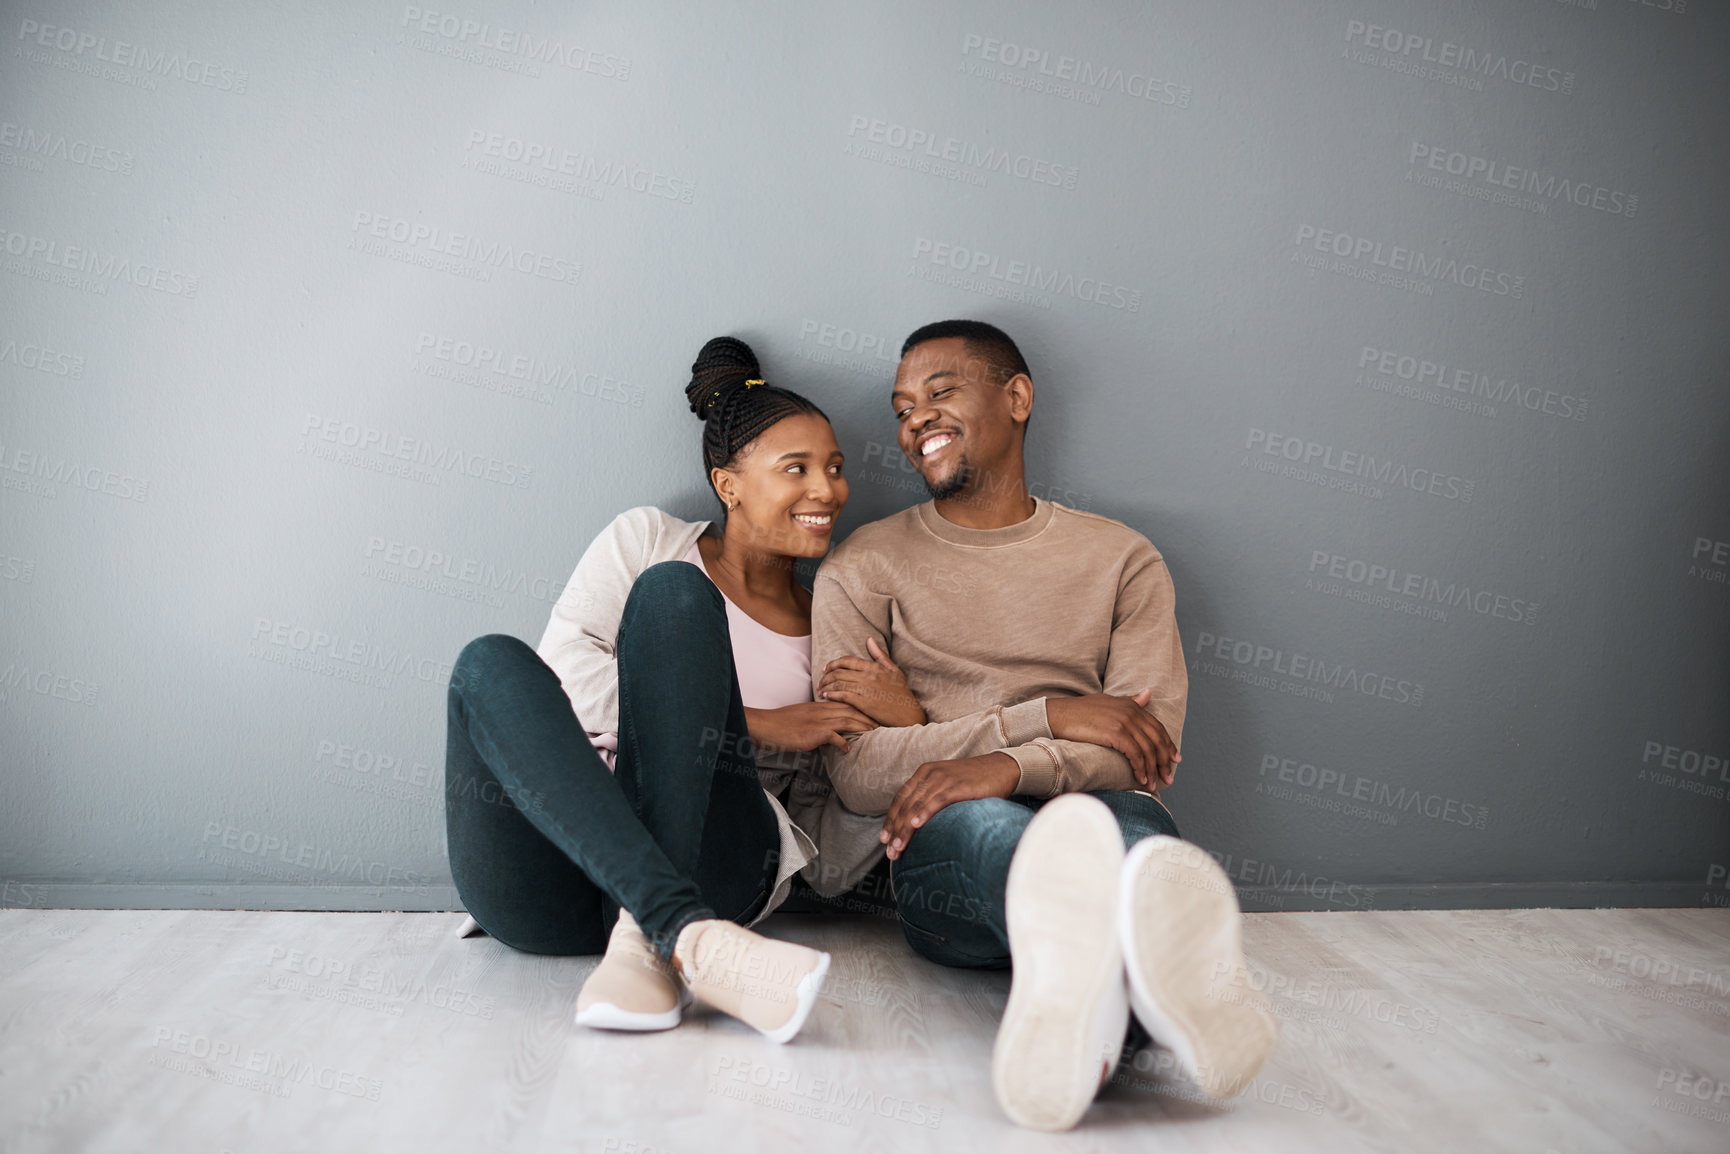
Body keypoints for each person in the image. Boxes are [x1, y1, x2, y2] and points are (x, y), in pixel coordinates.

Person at [806, 319, 1278, 1126]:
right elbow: (855, 771)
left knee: (1127, 831)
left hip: (1098, 805)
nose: (914, 419)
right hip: (947, 842)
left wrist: (1002, 762)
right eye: (902, 407)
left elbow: (1143, 753)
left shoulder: (1122, 558)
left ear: (1017, 397)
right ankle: (1145, 990)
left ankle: (1097, 996)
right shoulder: (862, 567)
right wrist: (1052, 720)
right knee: (982, 823)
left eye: (940, 392)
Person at [443, 336, 916, 1043]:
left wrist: (906, 721)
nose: (829, 490)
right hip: (551, 886)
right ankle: (685, 939)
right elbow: (561, 673)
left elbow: (842, 794)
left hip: (713, 860)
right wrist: (760, 723)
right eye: (799, 468)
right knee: (487, 662)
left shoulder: (834, 617)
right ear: (730, 485)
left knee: (676, 599)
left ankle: (660, 927)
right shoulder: (646, 540)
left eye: (836, 469)